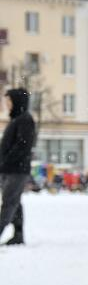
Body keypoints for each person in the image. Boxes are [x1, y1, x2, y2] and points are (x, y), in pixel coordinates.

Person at [0, 88, 37, 246]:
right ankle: (18, 235)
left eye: (9, 101)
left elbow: (22, 146)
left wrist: (6, 161)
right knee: (15, 202)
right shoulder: (16, 119)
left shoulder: (25, 120)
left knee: (9, 202)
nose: (7, 104)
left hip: (16, 170)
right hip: (9, 169)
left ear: (18, 102)